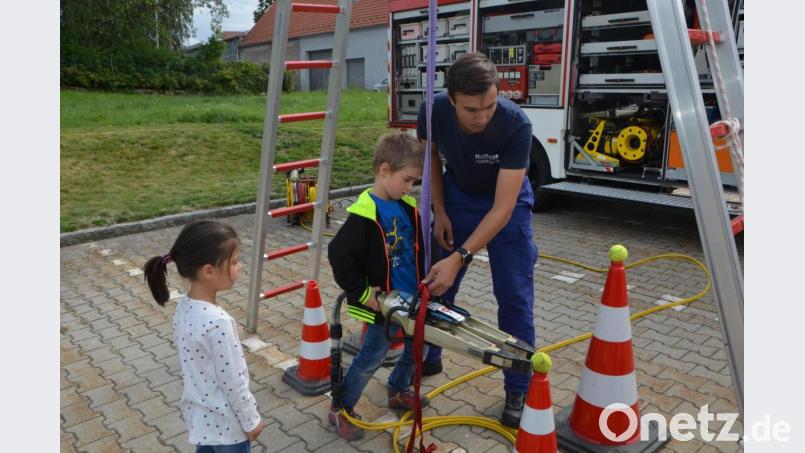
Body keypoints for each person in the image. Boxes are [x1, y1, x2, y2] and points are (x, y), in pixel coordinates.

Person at [416, 52, 539, 428]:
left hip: (507, 203)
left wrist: (460, 257)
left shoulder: (516, 124)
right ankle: (429, 353)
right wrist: (440, 208)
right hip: (458, 196)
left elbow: (501, 210)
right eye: (471, 109)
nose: (481, 117)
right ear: (450, 98)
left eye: (489, 105)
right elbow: (430, 159)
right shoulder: (431, 111)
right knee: (436, 286)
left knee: (514, 296)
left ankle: (518, 384)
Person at [327, 132, 430, 441]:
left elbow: (415, 249)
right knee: (371, 357)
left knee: (420, 346)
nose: (410, 187)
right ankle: (340, 408)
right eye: (407, 179)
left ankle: (397, 389)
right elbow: (339, 256)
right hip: (382, 307)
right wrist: (362, 294)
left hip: (412, 298)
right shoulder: (363, 215)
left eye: (414, 181)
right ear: (384, 170)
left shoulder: (406, 207)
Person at [144, 220, 264, 452]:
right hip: (229, 430)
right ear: (209, 271)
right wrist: (251, 419)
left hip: (202, 423)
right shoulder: (219, 322)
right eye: (235, 261)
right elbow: (233, 380)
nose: (240, 266)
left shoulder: (184, 307)